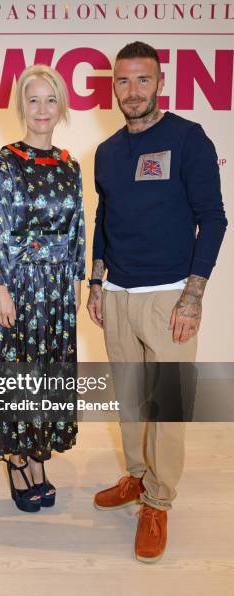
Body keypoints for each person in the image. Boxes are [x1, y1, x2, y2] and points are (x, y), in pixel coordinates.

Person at [87, 41, 227, 563]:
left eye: (142, 80)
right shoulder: (105, 151)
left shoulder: (188, 139)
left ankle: (159, 499)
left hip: (169, 297)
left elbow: (212, 218)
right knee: (129, 398)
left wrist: (193, 297)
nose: (132, 90)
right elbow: (103, 219)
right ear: (114, 87)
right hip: (118, 296)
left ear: (160, 83)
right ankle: (137, 476)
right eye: (122, 81)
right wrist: (96, 281)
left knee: (166, 407)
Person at [0, 64, 85, 512]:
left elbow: (79, 224)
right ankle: (17, 457)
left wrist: (77, 276)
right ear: (21, 106)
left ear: (61, 106)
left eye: (50, 99)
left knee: (47, 371)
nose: (42, 109)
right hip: (17, 285)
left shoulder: (69, 164)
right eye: (33, 100)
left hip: (58, 286)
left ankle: (39, 453)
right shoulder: (4, 161)